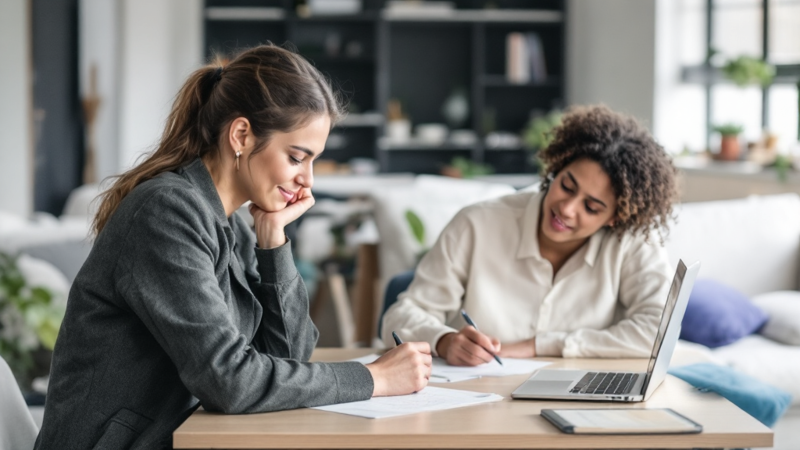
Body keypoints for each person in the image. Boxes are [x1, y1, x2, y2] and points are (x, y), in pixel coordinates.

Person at [35, 44, 431, 450]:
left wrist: (273, 241)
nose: (308, 180)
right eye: (297, 158)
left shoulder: (232, 225)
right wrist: (374, 379)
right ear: (241, 135)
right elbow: (230, 381)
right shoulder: (165, 212)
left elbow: (289, 359)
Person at [381, 105, 678, 366]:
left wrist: (540, 346)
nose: (567, 208)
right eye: (567, 186)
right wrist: (444, 340)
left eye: (591, 207)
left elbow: (660, 330)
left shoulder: (632, 243)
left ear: (615, 217)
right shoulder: (477, 224)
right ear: (556, 168)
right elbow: (401, 316)